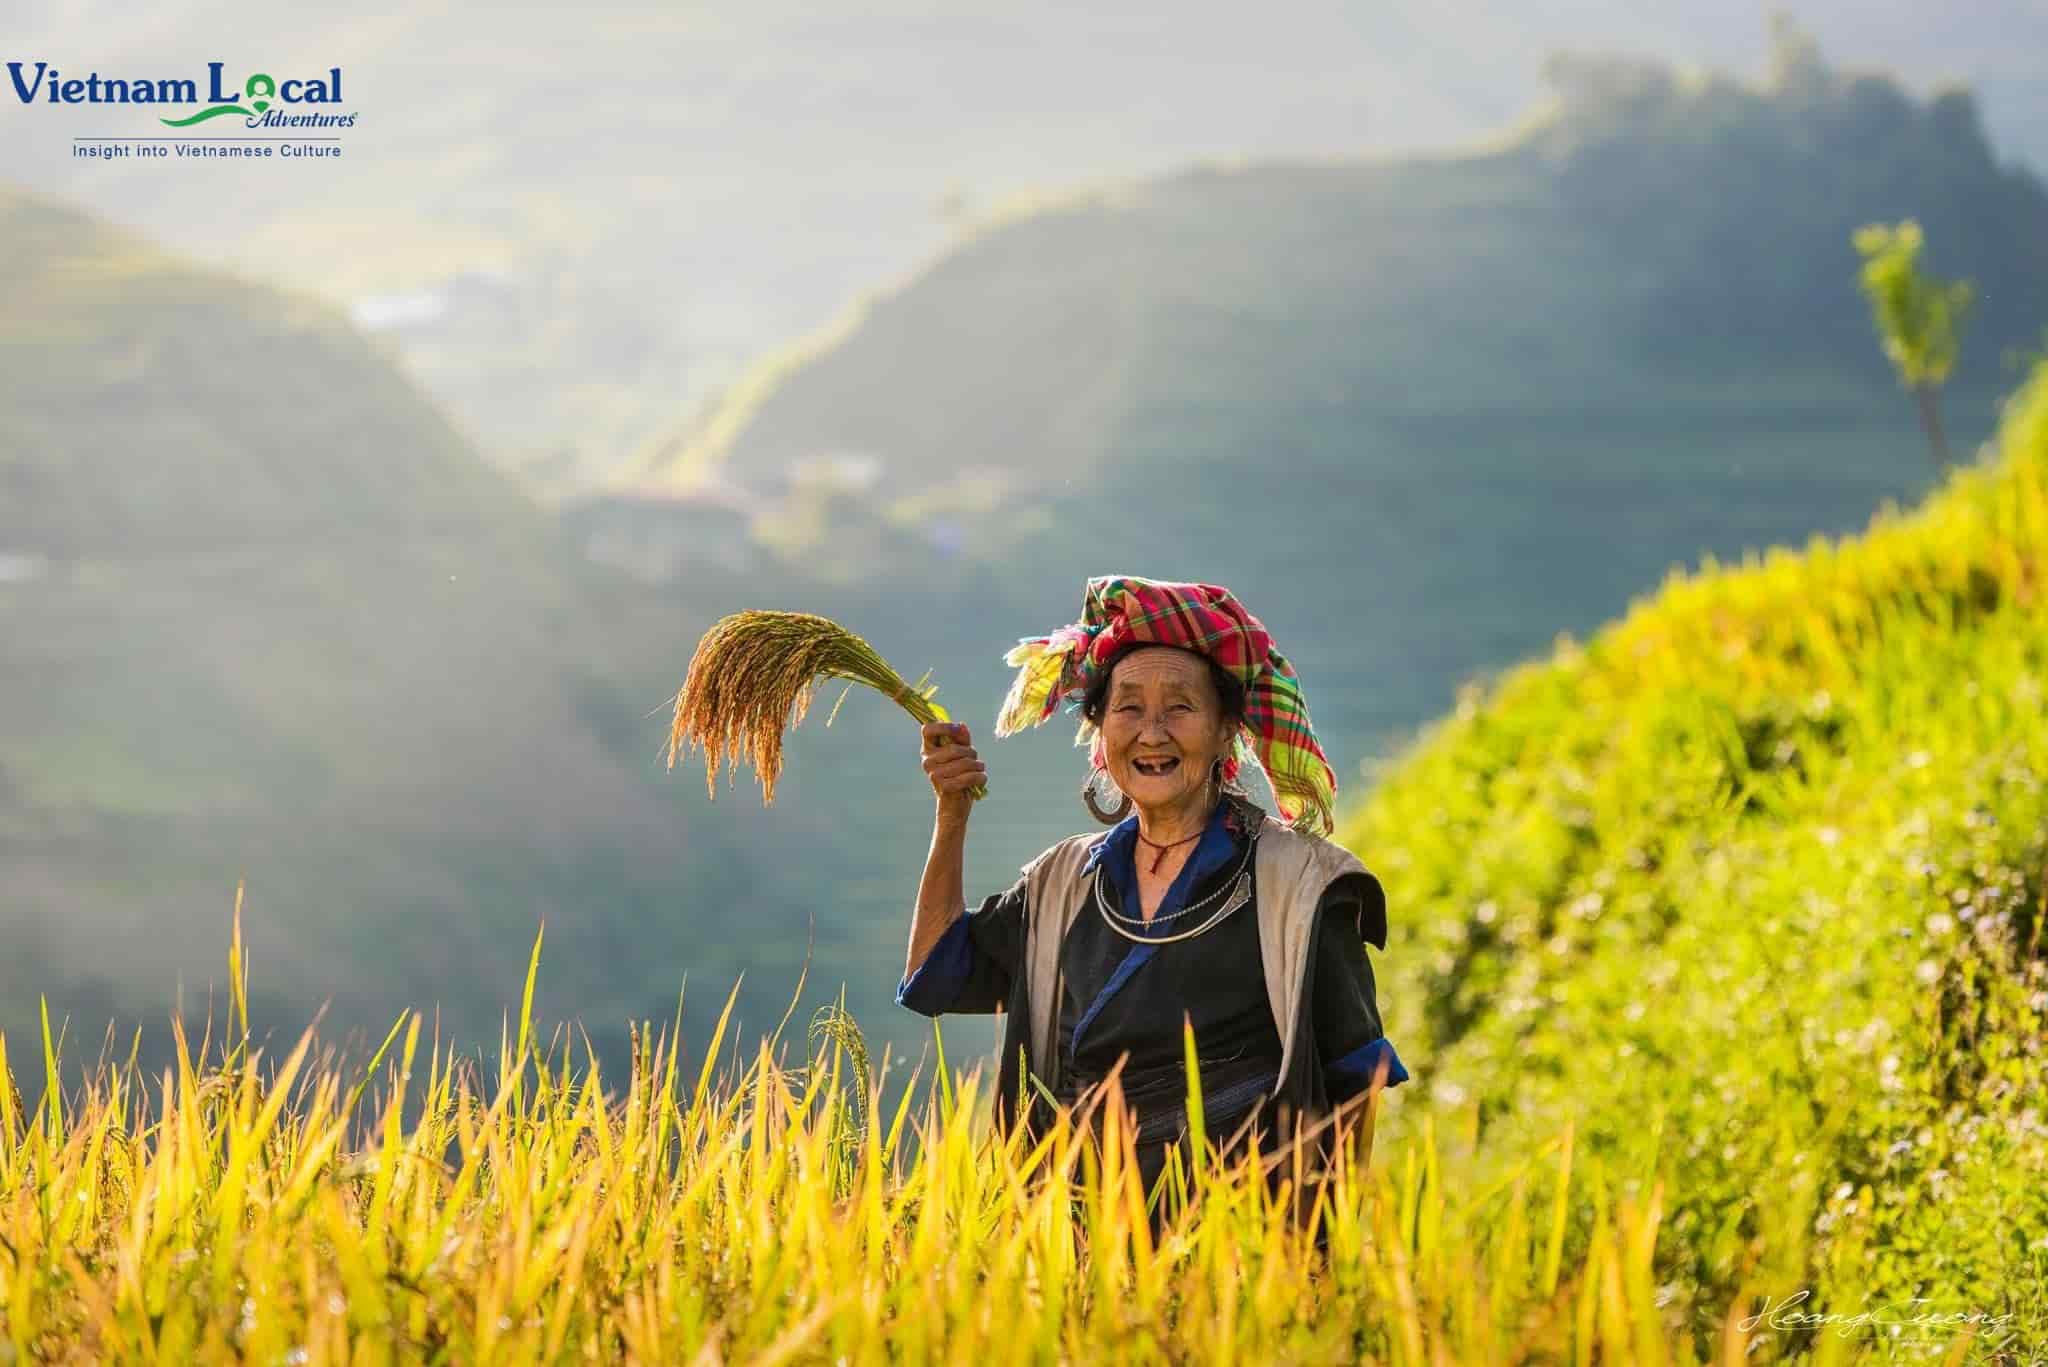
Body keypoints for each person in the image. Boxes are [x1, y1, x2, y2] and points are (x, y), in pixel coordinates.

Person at [897, 575, 1408, 1210]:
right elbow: (932, 977)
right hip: (1085, 1245)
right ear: (1101, 736)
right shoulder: (1063, 884)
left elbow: (1358, 1077)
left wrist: (1322, 1257)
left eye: (1181, 708)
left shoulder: (1301, 885)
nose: (1153, 732)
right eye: (1129, 707)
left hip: (1244, 1244)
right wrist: (951, 816)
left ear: (1227, 733)